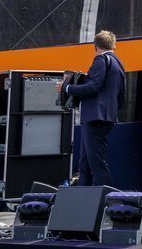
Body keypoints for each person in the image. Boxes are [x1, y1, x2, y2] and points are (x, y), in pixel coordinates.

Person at [55, 30, 125, 187]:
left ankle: (105, 197)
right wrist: (111, 112)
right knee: (85, 162)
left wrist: (67, 88)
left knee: (95, 162)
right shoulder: (119, 63)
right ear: (114, 45)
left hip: (94, 118)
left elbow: (93, 86)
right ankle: (83, 197)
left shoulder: (100, 60)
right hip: (105, 117)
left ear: (95, 46)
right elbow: (122, 96)